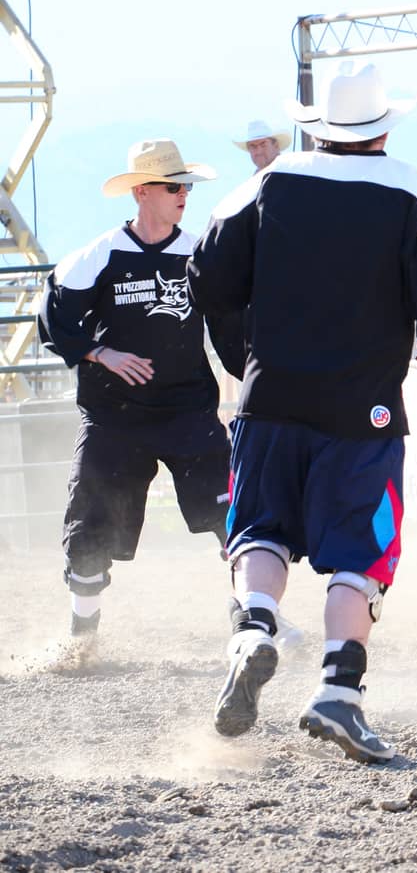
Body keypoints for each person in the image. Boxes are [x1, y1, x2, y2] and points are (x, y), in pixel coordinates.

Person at [189, 61, 417, 763]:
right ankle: (338, 692)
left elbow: (209, 277)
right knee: (362, 553)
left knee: (260, 530)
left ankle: (255, 627)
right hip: (362, 409)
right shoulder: (408, 186)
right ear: (382, 129)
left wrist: (247, 352)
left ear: (319, 126)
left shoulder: (270, 178)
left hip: (270, 397)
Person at [37, 139, 241, 652]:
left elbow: (232, 326)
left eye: (186, 187)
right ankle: (82, 638)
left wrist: (259, 375)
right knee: (89, 530)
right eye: (174, 186)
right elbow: (53, 312)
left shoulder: (198, 253)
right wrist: (98, 353)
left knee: (236, 516)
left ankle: (252, 621)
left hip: (188, 411)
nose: (184, 195)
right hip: (114, 417)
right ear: (143, 192)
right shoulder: (100, 255)